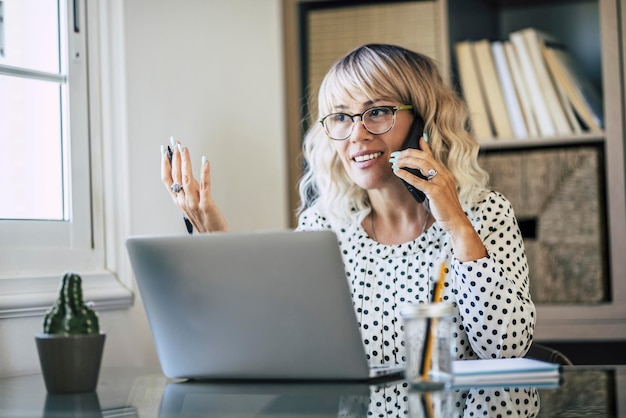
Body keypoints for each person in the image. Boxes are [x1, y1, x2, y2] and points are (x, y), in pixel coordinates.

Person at [161, 44, 536, 369]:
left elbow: (505, 347)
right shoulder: (324, 226)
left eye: (377, 112)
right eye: (341, 116)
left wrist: (456, 224)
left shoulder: (486, 214)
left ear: (422, 121)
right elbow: (279, 344)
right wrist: (216, 243)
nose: (357, 134)